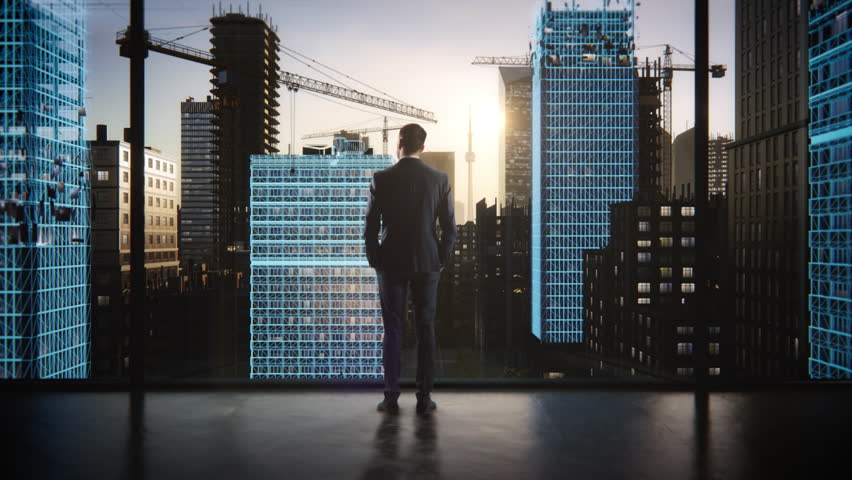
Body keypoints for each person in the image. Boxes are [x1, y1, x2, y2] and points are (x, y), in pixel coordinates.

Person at [364, 123, 456, 414]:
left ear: (399, 143)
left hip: (390, 262)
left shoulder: (381, 178)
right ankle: (424, 397)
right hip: (427, 263)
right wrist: (440, 258)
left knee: (392, 330)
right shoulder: (439, 179)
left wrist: (375, 259)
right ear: (423, 147)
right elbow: (450, 228)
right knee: (426, 328)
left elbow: (370, 226)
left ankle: (391, 396)